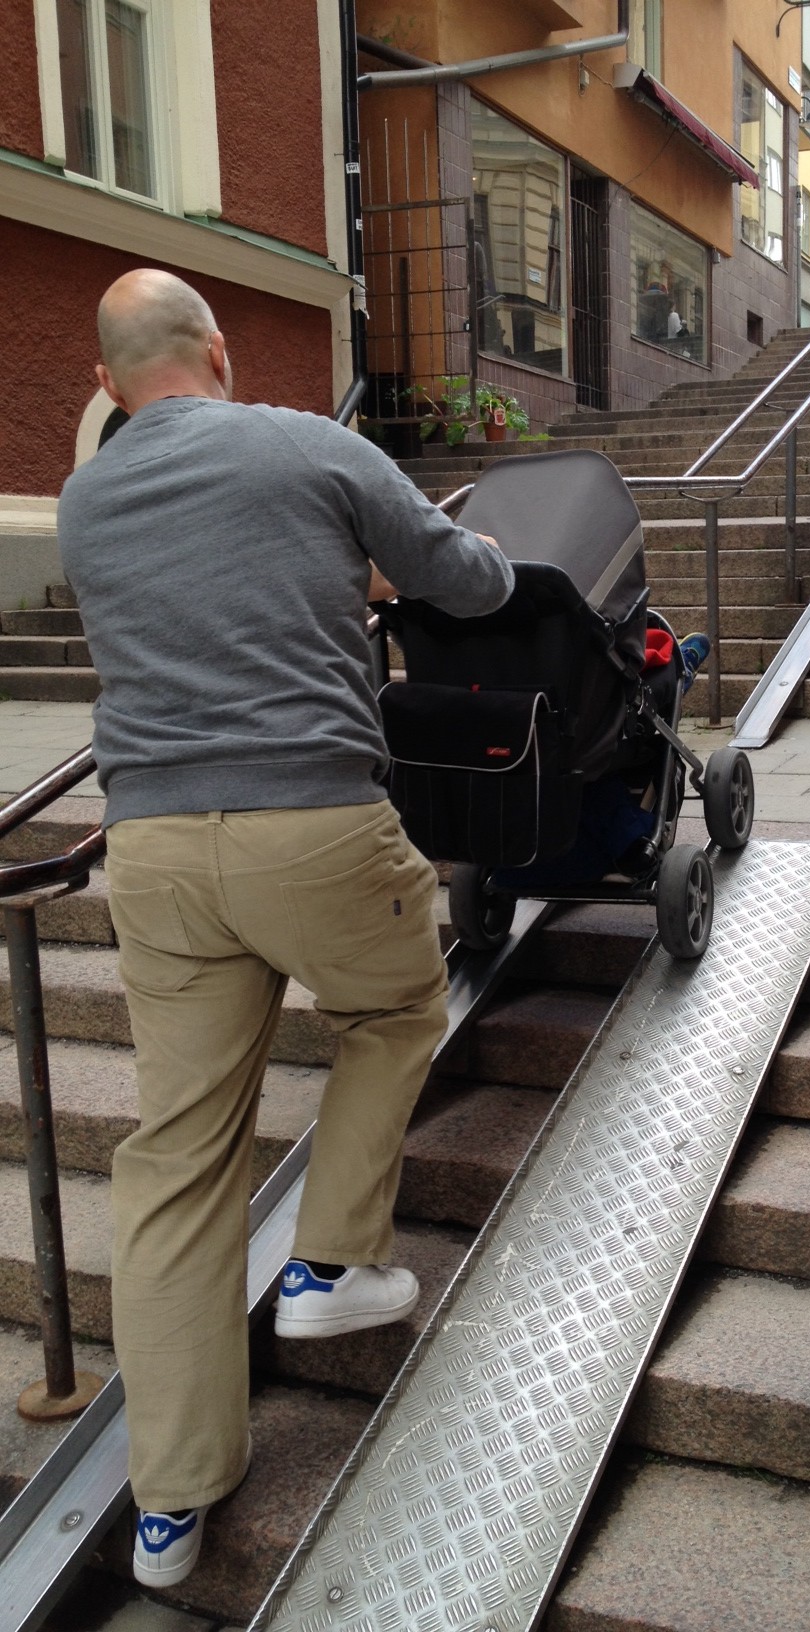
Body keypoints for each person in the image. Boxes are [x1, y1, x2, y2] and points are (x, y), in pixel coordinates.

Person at [55, 269, 514, 1589]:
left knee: (178, 1160)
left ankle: (168, 1506)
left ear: (104, 385)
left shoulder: (85, 500)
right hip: (309, 822)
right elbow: (463, 581)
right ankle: (331, 1262)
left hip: (151, 845)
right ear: (221, 351)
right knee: (393, 1008)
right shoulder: (310, 443)